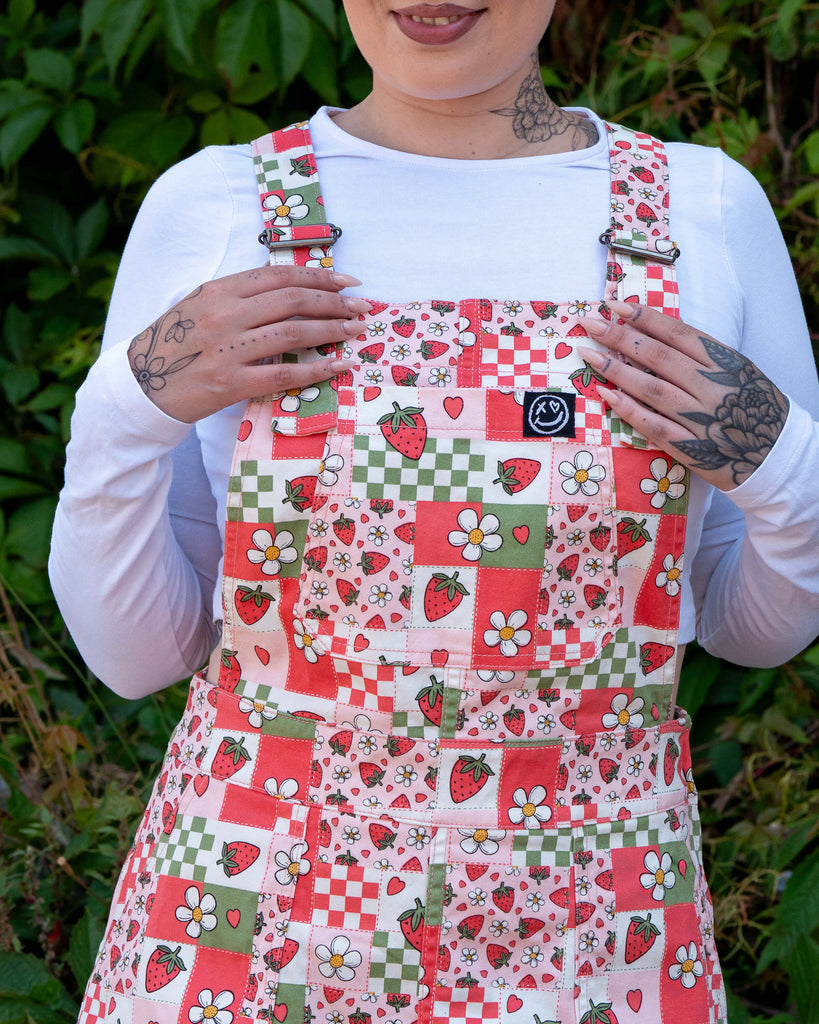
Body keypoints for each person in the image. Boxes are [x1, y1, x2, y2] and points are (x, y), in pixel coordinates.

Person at [50, 3, 819, 1024]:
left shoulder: (700, 209)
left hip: (592, 934)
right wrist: (125, 405)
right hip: (253, 921)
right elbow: (139, 654)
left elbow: (749, 627)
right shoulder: (218, 205)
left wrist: (786, 464)